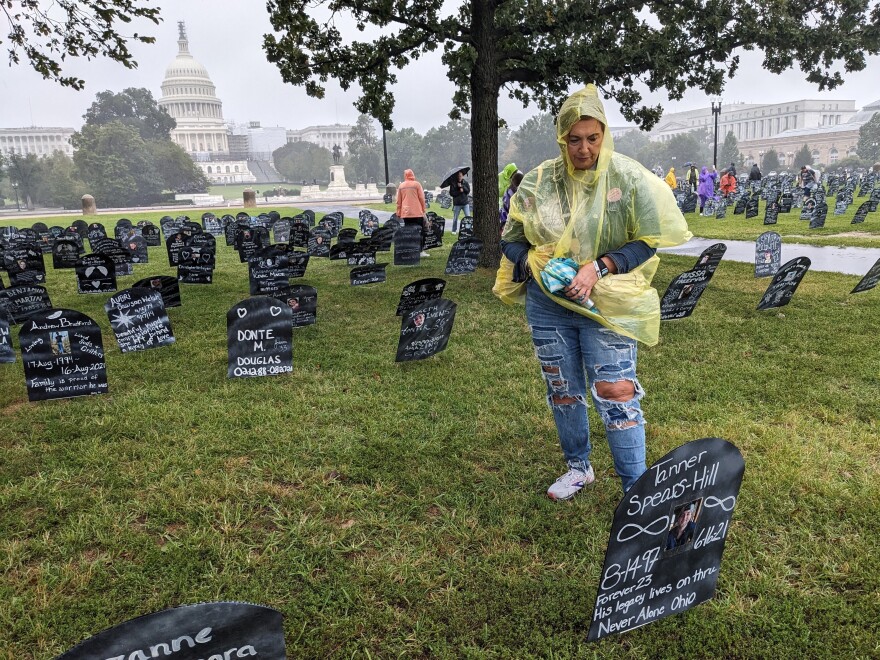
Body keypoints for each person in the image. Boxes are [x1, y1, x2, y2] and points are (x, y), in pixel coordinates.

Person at [494, 85, 691, 498]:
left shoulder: (628, 177)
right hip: (549, 306)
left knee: (616, 390)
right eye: (574, 139)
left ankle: (635, 489)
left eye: (592, 137)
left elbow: (648, 240)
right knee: (563, 390)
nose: (583, 148)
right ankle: (579, 468)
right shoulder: (538, 182)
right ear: (561, 138)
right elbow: (510, 238)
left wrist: (600, 267)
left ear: (604, 134)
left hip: (607, 300)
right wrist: (531, 263)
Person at [396, 169, 430, 257]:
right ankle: (420, 251)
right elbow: (422, 198)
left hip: (406, 213)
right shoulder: (417, 184)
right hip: (417, 212)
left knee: (409, 232)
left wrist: (399, 212)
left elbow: (398, 201)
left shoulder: (401, 186)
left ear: (405, 176)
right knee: (420, 231)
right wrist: (423, 209)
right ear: (412, 175)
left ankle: (410, 250)